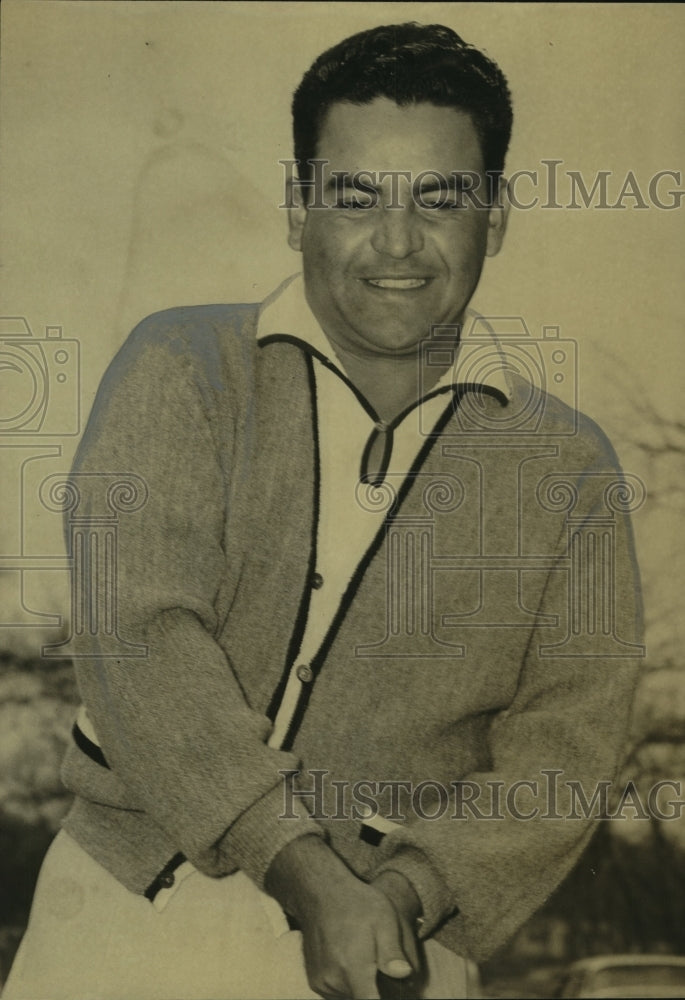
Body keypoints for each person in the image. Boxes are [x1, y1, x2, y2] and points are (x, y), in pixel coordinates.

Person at [3, 21, 643, 1000]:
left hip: (401, 952)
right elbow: (140, 639)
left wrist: (411, 888)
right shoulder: (181, 366)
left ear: (499, 217)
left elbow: (566, 745)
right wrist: (298, 861)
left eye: (440, 199)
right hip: (124, 918)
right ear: (299, 208)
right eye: (354, 196)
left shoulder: (568, 465)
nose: (396, 241)